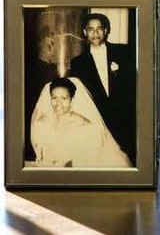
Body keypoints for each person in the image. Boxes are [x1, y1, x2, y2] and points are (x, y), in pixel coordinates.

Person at [70, 13, 136, 165]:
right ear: (85, 32)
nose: (95, 33)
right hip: (98, 121)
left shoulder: (124, 52)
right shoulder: (78, 63)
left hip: (124, 118)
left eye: (99, 29)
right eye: (91, 29)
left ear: (106, 30)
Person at [31, 77, 132, 167]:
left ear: (72, 100)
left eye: (64, 98)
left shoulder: (85, 126)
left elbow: (86, 163)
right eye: (54, 98)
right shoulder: (42, 123)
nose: (58, 104)